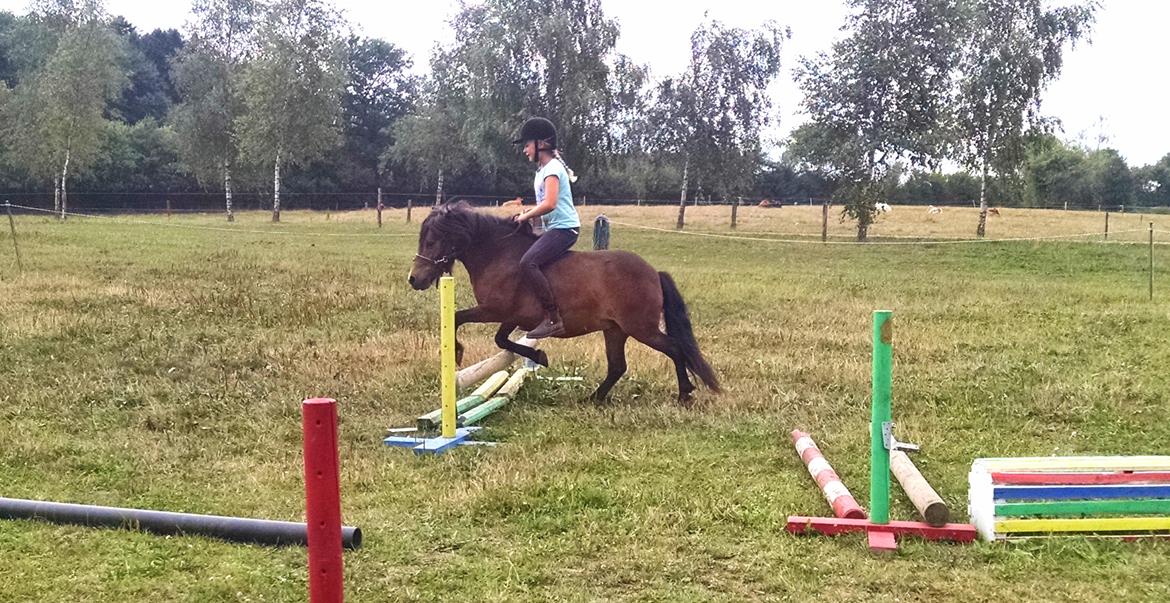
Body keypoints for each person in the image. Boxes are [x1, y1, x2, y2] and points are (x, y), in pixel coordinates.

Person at [511, 117, 581, 339]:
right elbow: (544, 206)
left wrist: (526, 216)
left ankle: (553, 319)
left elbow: (550, 203)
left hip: (565, 229)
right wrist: (528, 216)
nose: (524, 150)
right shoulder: (541, 170)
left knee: (528, 262)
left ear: (541, 144)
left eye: (527, 145)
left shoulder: (552, 168)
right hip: (554, 228)